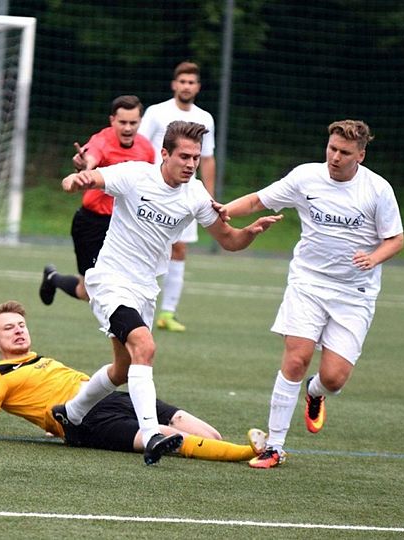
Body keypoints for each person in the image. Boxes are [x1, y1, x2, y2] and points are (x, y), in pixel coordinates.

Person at [52, 121, 282, 465]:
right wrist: (77, 177)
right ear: (164, 154)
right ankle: (152, 434)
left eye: (196, 157)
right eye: (184, 156)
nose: (191, 164)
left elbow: (229, 240)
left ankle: (71, 412)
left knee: (121, 368)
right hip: (111, 280)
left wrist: (251, 231)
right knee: (145, 346)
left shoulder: (195, 195)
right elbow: (92, 178)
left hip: (145, 289)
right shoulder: (135, 175)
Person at [221, 120, 404, 469]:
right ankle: (275, 446)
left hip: (354, 293)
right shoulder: (306, 177)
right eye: (332, 148)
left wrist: (374, 257)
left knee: (334, 378)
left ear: (360, 156)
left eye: (345, 153)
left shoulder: (378, 190)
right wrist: (219, 211)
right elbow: (259, 200)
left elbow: (395, 239)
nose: (335, 157)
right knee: (296, 358)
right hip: (308, 282)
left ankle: (315, 392)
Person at [0, 301, 268, 464]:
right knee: (172, 437)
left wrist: (46, 423)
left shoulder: (42, 359)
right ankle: (247, 453)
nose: (18, 330)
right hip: (88, 423)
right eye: (8, 328)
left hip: (112, 398)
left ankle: (242, 449)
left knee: (210, 435)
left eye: (21, 324)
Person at [39, 95, 155, 305]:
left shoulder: (146, 149)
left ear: (140, 121)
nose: (128, 128)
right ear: (112, 120)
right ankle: (52, 278)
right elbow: (91, 157)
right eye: (122, 122)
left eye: (133, 123)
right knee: (88, 292)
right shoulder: (101, 141)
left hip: (124, 226)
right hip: (93, 224)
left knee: (127, 285)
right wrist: (84, 166)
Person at [138, 61, 217, 332]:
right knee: (147, 244)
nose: (186, 86)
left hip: (186, 193)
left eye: (191, 82)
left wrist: (209, 196)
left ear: (198, 87)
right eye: (182, 81)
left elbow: (207, 159)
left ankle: (168, 313)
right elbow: (139, 147)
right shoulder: (156, 112)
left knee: (180, 248)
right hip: (152, 190)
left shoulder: (205, 118)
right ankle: (136, 302)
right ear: (174, 84)